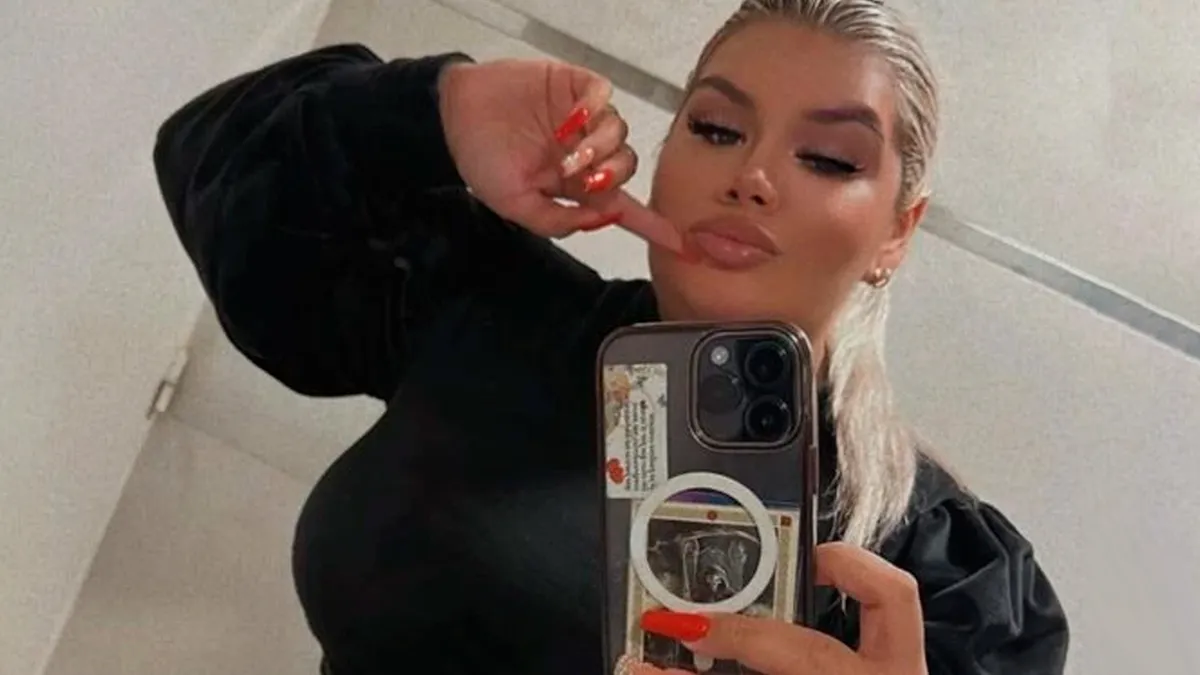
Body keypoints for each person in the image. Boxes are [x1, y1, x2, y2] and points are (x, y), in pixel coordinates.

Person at [153, 0, 1070, 673]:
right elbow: (234, 201)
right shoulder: (501, 310)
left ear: (898, 232)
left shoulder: (943, 583)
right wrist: (438, 112)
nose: (752, 174)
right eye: (716, 128)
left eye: (828, 158)